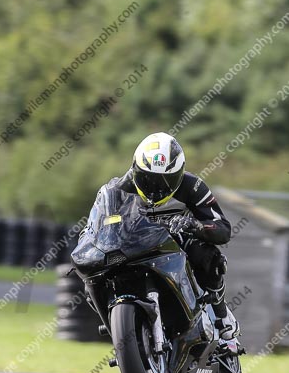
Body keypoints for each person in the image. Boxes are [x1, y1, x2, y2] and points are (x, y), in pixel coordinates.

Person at [92, 131, 240, 346]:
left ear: (179, 174)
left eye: (165, 181)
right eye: (147, 178)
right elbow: (95, 225)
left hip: (176, 245)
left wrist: (194, 225)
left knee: (209, 256)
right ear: (134, 169)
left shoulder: (192, 186)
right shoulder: (116, 189)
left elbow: (222, 229)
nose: (155, 188)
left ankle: (221, 314)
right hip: (134, 247)